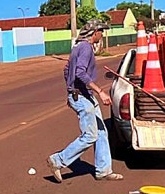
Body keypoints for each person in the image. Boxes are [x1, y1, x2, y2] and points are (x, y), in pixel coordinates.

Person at [46, 21, 123, 183]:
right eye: (101, 31)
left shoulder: (77, 47)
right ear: (94, 32)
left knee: (101, 132)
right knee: (90, 135)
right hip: (82, 97)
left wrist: (70, 88)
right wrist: (100, 91)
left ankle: (103, 170)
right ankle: (58, 160)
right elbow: (80, 72)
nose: (102, 34)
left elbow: (67, 70)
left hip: (83, 95)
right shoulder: (86, 48)